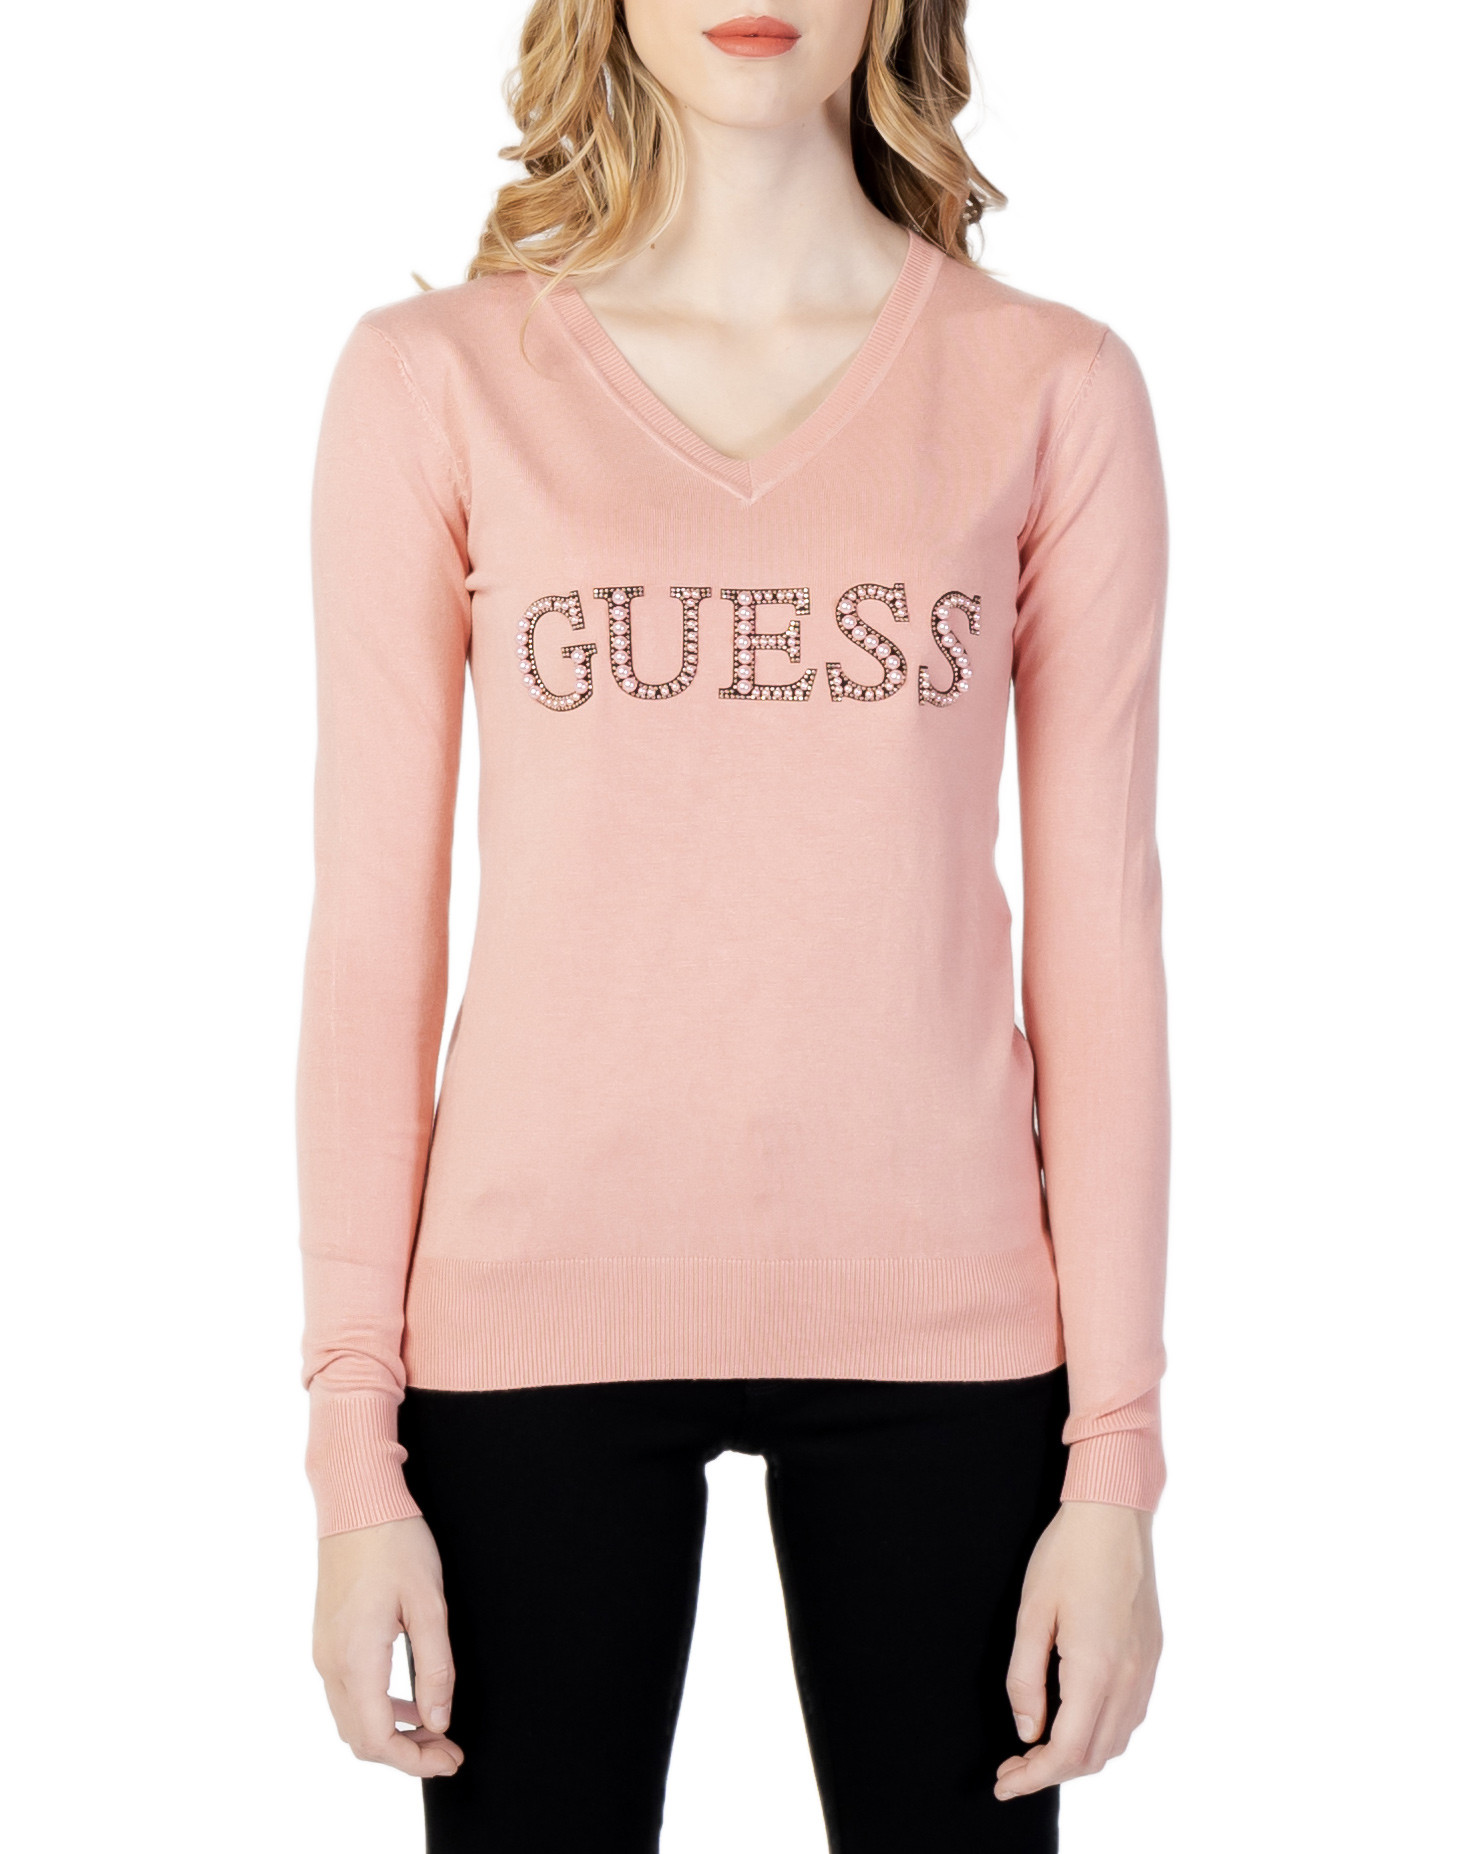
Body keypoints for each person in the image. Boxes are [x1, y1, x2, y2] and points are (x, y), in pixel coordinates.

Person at [297, 0, 1171, 1847]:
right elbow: (374, 933)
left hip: (950, 1324)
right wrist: (352, 1462)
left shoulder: (1051, 386)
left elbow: (1098, 940)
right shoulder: (431, 382)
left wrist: (1116, 1470)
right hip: (526, 1322)